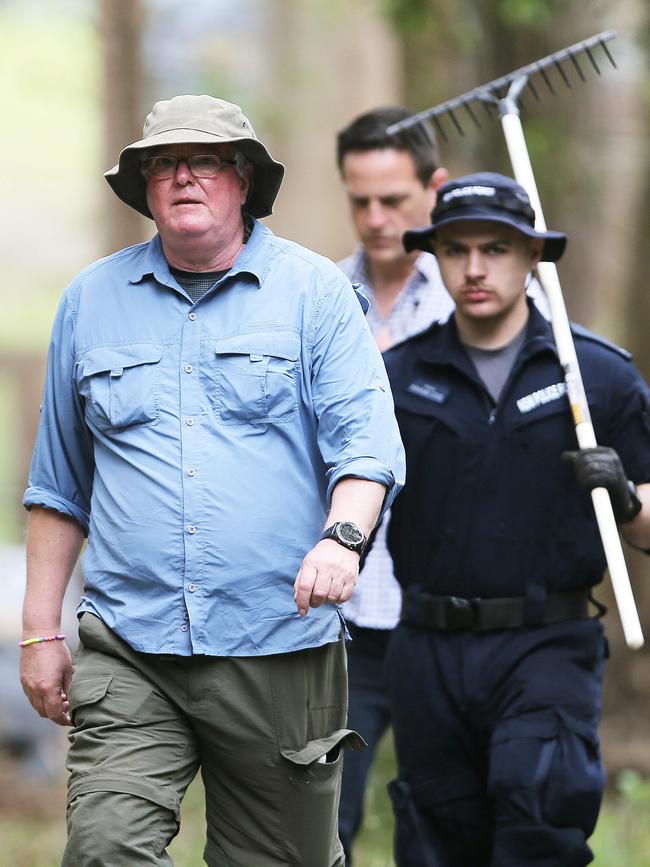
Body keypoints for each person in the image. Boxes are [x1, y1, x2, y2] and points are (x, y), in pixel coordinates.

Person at [19, 94, 405, 867]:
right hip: (131, 646)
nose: (182, 175)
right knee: (104, 849)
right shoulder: (91, 302)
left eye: (204, 160)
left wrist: (342, 540)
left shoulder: (314, 294)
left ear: (244, 179)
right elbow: (59, 486)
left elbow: (367, 450)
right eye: (163, 162)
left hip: (278, 649)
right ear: (143, 185)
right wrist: (40, 630)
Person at [383, 172, 650, 867]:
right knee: (436, 841)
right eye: (456, 249)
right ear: (434, 256)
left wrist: (624, 494)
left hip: (547, 642)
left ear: (533, 256)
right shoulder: (393, 377)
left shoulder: (598, 376)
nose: (475, 268)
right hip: (427, 647)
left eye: (496, 248)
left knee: (540, 824)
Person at [334, 108, 546, 863]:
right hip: (345, 619)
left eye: (393, 198)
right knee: (325, 818)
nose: (376, 218)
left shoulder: (495, 294)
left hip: (456, 617)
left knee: (469, 819)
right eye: (360, 201)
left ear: (434, 186)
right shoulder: (321, 301)